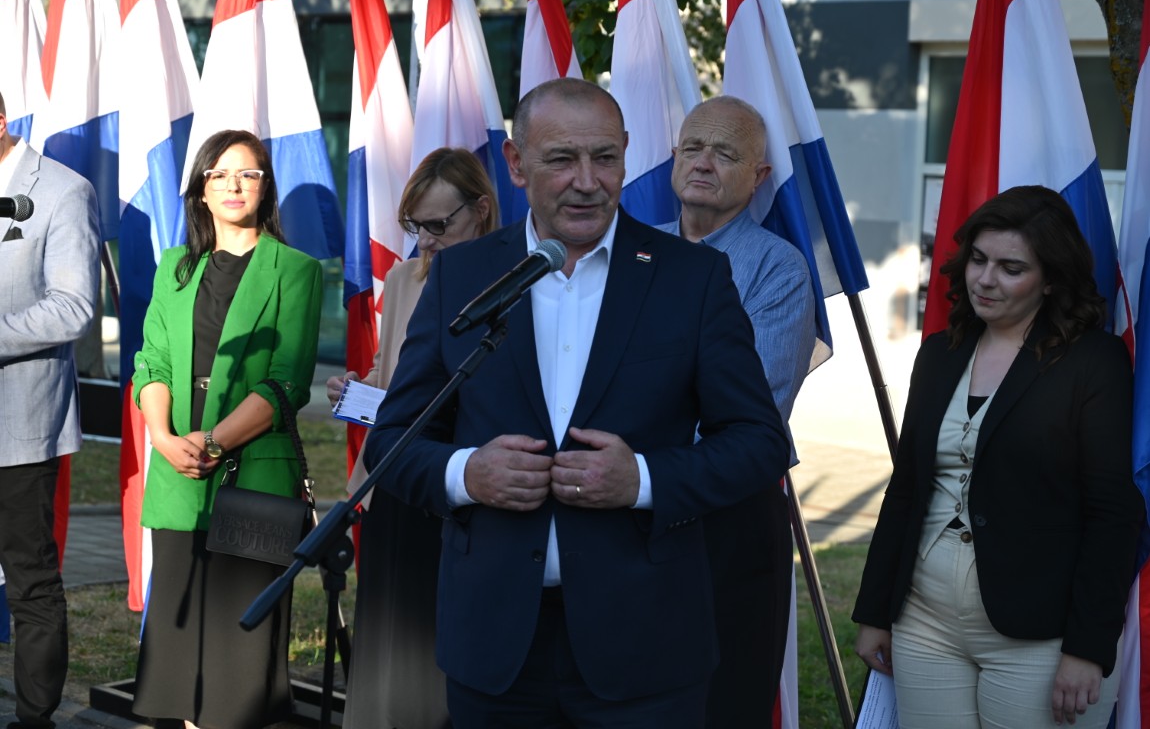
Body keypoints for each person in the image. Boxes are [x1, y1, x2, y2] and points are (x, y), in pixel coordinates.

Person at [362, 77, 790, 727]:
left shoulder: (692, 277)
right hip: (494, 647)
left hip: (646, 647)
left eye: (605, 158)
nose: (587, 182)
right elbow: (394, 439)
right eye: (562, 159)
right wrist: (467, 473)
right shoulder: (462, 275)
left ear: (627, 153)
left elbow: (759, 442)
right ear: (516, 164)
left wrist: (643, 479)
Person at [852, 185, 1142, 728]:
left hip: (1040, 632)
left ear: (1050, 279)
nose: (985, 280)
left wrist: (1087, 645)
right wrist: (874, 612)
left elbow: (1112, 512)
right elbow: (906, 488)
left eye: (1011, 269)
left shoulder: (1093, 362)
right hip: (923, 620)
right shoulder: (939, 353)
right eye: (979, 260)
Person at [130, 129, 323, 729]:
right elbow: (151, 363)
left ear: (266, 188)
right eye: (220, 174)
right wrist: (163, 439)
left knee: (238, 659)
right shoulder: (174, 268)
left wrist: (214, 442)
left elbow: (287, 383)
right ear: (201, 190)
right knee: (178, 653)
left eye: (248, 174)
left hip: (253, 478)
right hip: (178, 474)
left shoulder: (296, 270)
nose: (234, 185)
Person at [329, 147, 499, 729]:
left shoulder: (514, 279)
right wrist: (357, 389)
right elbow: (390, 372)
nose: (424, 240)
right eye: (415, 226)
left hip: (465, 491)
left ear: (481, 210)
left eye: (437, 225)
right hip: (396, 484)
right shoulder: (405, 278)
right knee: (389, 641)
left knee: (441, 649)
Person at [663, 95, 816, 726]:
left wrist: (639, 459)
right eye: (693, 147)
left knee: (720, 705)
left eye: (725, 153)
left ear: (759, 178)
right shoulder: (629, 251)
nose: (703, 162)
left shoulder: (779, 269)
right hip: (623, 512)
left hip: (726, 519)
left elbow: (752, 414)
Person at [0, 92, 101, 729]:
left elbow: (72, 306)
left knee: (30, 580)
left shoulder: (63, 191)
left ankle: (34, 720)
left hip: (18, 427)